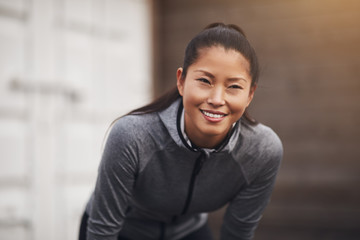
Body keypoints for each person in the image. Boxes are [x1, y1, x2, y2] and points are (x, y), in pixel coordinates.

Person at [79, 22, 283, 240]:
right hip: (123, 232)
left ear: (250, 94)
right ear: (181, 81)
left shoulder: (263, 150)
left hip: (188, 232)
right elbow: (103, 231)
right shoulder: (132, 136)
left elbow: (238, 234)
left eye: (234, 86)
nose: (216, 99)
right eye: (204, 81)